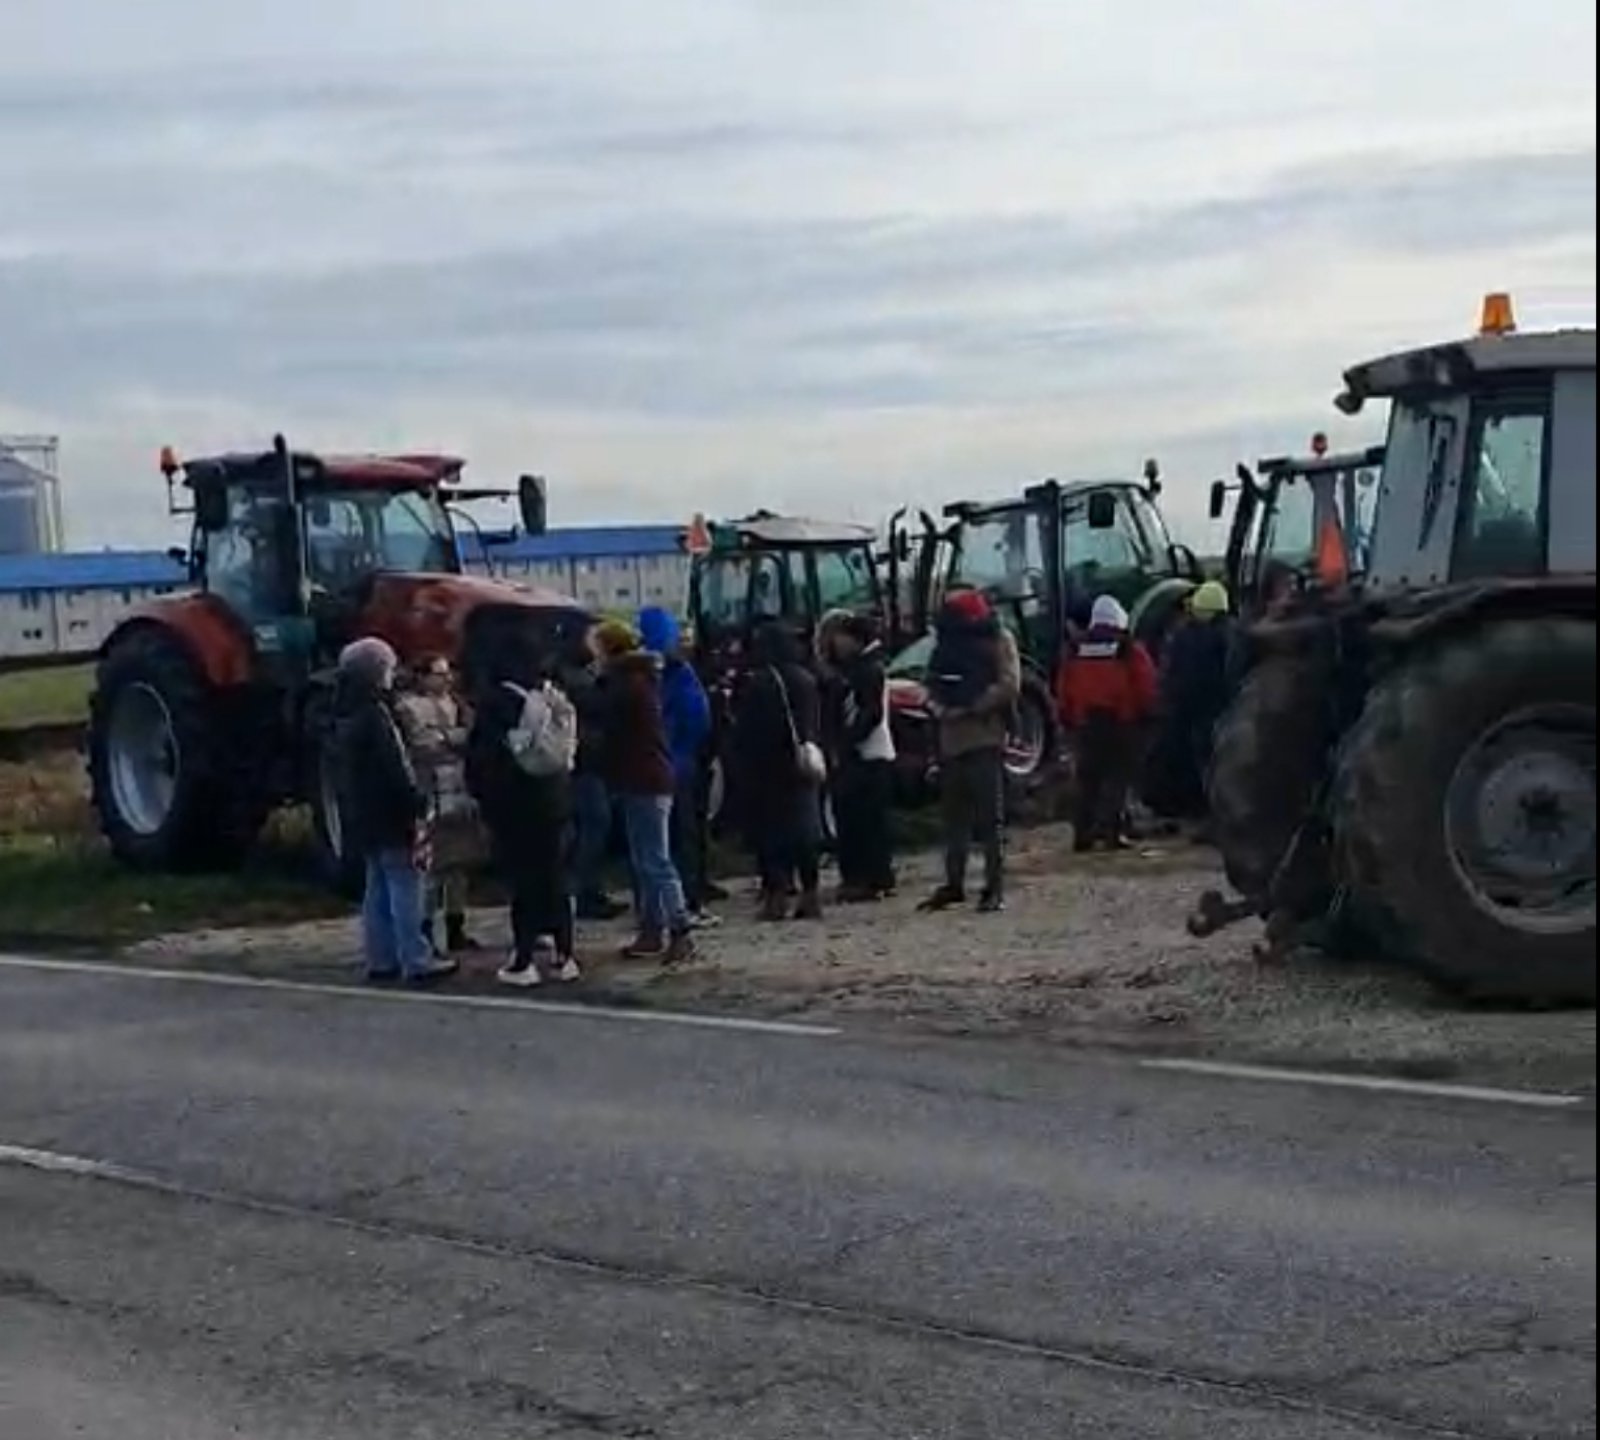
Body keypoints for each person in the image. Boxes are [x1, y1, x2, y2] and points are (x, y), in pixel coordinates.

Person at [332, 637, 455, 985]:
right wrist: (416, 802)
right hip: (390, 812)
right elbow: (396, 767)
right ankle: (416, 958)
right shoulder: (377, 714)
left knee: (376, 888)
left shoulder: (343, 712)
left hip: (362, 815)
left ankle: (380, 958)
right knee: (407, 886)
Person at [465, 641, 580, 987]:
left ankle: (523, 960)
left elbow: (484, 759)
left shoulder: (496, 703)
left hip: (515, 803)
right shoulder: (547, 696)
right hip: (554, 795)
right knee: (555, 876)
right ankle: (565, 956)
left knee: (524, 881)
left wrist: (482, 796)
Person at [596, 620, 697, 964]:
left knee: (654, 859)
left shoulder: (624, 686)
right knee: (646, 859)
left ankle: (679, 926)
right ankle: (652, 929)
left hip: (643, 778)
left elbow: (609, 729)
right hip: (649, 775)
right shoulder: (642, 680)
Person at [919, 590, 1021, 914]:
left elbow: (1009, 684)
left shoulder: (999, 640)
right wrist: (942, 709)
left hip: (983, 739)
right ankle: (955, 884)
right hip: (953, 740)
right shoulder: (952, 643)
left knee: (990, 820)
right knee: (955, 821)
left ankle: (994, 887)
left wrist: (967, 708)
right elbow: (929, 684)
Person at [733, 621, 826, 921]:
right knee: (805, 831)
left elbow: (747, 729)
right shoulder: (806, 678)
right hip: (802, 763)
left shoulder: (759, 682)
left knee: (771, 833)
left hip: (767, 767)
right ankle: (811, 893)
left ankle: (777, 893)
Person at [1056, 594, 1159, 853]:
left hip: (1085, 723)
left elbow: (1063, 687)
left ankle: (1083, 835)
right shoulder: (1128, 648)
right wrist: (1149, 713)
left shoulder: (1075, 649)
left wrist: (1066, 717)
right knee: (1117, 779)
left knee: (1087, 780)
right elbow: (1145, 684)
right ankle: (1113, 833)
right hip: (1120, 722)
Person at [395, 655, 480, 956]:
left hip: (459, 788)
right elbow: (422, 743)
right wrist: (453, 738)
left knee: (459, 863)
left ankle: (457, 925)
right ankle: (426, 929)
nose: (446, 680)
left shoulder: (458, 704)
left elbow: (470, 736)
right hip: (430, 789)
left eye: (448, 673)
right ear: (421, 676)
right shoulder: (407, 707)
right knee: (432, 866)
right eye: (438, 674)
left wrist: (451, 738)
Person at [637, 606, 717, 925]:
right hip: (679, 763)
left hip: (661, 764)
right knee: (680, 838)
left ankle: (662, 908)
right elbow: (699, 719)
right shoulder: (681, 674)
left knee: (658, 844)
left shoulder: (646, 676)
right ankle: (684, 901)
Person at [824, 613, 897, 902]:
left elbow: (871, 713)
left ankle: (866, 877)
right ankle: (874, 875)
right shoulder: (854, 669)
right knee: (865, 820)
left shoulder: (868, 670)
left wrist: (847, 741)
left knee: (863, 820)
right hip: (864, 751)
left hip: (868, 752)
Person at [559, 625, 626, 922]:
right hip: (586, 764)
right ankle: (585, 891)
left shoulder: (577, 675)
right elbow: (599, 707)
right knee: (593, 825)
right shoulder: (576, 679)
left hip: (589, 761)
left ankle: (588, 888)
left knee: (593, 826)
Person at [1154, 581, 1237, 824]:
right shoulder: (1231, 634)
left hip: (1192, 709)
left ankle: (1204, 811)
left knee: (1203, 762)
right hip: (1219, 707)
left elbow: (1173, 674)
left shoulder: (1185, 636)